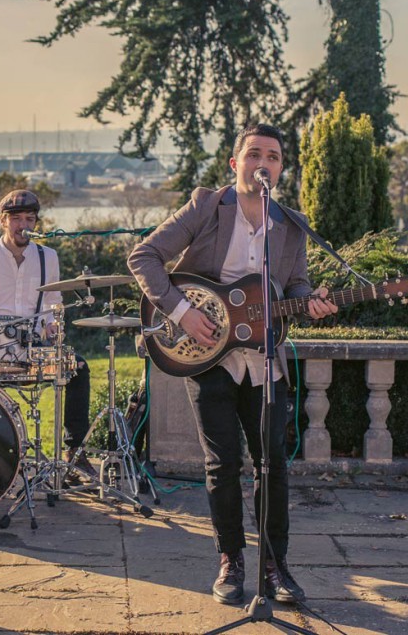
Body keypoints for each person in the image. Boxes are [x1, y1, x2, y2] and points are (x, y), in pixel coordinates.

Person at [127, 123, 337, 606]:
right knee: (222, 465)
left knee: (274, 467)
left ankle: (275, 566)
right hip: (208, 356)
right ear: (235, 162)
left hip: (265, 364)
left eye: (274, 157)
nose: (264, 163)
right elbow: (145, 256)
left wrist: (313, 301)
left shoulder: (291, 224)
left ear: (281, 168)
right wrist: (182, 312)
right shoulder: (206, 205)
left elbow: (296, 286)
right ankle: (230, 560)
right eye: (254, 154)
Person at [0, 190, 94, 486]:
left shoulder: (48, 257)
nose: (23, 224)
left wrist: (51, 324)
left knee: (79, 369)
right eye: (16, 219)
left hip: (33, 350)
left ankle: (74, 454)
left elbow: (53, 301)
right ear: (3, 221)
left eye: (30, 218)